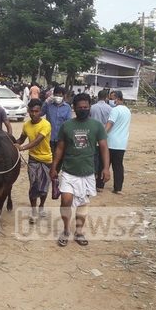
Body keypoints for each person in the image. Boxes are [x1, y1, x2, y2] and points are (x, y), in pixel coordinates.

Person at [50, 93, 110, 247]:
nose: (83, 109)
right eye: (80, 107)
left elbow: (104, 147)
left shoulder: (96, 126)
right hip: (69, 171)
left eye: (86, 107)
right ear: (74, 108)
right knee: (66, 200)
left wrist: (105, 168)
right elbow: (60, 148)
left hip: (88, 172)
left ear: (89, 107)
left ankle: (79, 232)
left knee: (83, 203)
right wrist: (54, 167)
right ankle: (65, 231)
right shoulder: (67, 126)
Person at [16, 99, 52, 224]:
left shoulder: (46, 124)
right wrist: (12, 144)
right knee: (33, 186)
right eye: (31, 111)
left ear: (40, 111)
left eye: (36, 111)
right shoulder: (26, 125)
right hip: (33, 160)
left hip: (46, 159)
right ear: (28, 111)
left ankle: (41, 205)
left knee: (44, 187)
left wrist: (23, 147)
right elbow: (21, 139)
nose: (34, 114)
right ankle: (33, 211)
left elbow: (38, 140)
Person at [105, 90, 131, 194]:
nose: (110, 100)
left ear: (117, 98)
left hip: (111, 141)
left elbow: (109, 124)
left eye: (111, 98)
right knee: (118, 166)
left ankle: (100, 185)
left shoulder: (115, 110)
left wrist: (101, 135)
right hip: (122, 143)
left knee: (105, 164)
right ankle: (118, 188)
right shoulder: (127, 111)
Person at [90, 90, 113, 189]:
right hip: (104, 135)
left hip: (93, 135)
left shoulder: (92, 107)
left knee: (94, 159)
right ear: (106, 97)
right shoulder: (110, 108)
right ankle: (100, 183)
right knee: (103, 158)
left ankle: (92, 179)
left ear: (98, 97)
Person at [41, 86, 71, 161]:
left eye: (60, 95)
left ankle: (56, 171)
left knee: (59, 158)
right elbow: (40, 113)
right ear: (53, 95)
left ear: (63, 96)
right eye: (56, 95)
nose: (58, 97)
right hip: (49, 137)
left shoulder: (67, 107)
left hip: (61, 138)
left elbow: (68, 122)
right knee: (50, 157)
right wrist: (45, 102)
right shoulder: (48, 105)